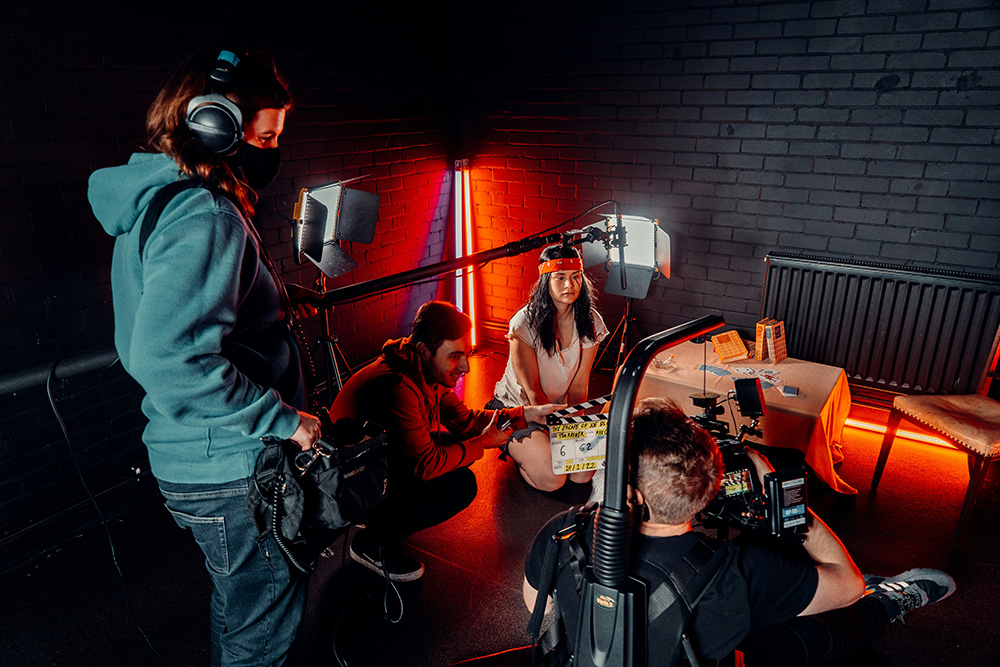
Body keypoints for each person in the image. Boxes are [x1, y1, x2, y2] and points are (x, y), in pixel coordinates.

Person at [89, 48, 324, 667]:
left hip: (196, 459)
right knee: (262, 631)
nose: (273, 150)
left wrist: (267, 302)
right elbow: (171, 359)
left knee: (239, 607)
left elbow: (176, 316)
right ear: (216, 125)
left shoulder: (161, 201)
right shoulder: (207, 214)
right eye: (267, 135)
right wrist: (285, 419)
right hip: (232, 468)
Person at [513, 398, 957, 667]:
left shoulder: (564, 531)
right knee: (822, 633)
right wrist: (792, 511)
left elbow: (538, 605)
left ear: (628, 490)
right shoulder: (741, 570)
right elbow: (848, 582)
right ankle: (888, 601)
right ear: (706, 494)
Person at [329, 300, 562, 582]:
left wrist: (527, 414)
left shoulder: (426, 369)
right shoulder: (398, 386)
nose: (464, 366)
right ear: (425, 351)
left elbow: (466, 422)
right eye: (454, 356)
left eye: (466, 354)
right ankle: (370, 544)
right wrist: (484, 443)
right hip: (348, 485)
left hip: (379, 456)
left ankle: (388, 522)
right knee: (459, 486)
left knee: (455, 453)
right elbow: (425, 466)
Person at [489, 245, 609, 492]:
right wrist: (561, 430)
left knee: (583, 475)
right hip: (521, 410)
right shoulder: (523, 323)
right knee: (554, 479)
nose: (570, 285)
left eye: (576, 277)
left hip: (559, 410)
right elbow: (533, 391)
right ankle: (515, 448)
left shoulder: (591, 320)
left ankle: (544, 448)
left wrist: (573, 422)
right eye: (560, 278)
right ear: (546, 280)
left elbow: (579, 384)